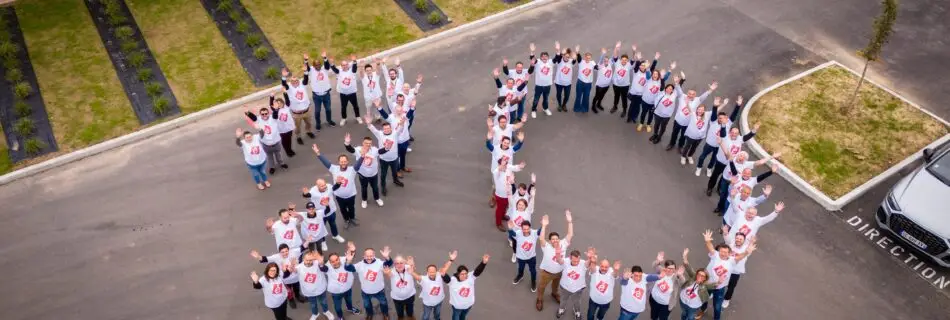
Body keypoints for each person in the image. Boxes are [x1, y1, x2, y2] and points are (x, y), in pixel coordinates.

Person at [696, 230, 756, 320]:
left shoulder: (732, 261)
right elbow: (710, 247)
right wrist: (707, 241)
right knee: (703, 299)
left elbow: (740, 256)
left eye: (725, 252)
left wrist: (747, 252)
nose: (723, 254)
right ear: (719, 251)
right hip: (707, 284)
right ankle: (702, 310)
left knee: (717, 306)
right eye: (721, 251)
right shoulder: (715, 255)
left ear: (730, 253)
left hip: (720, 288)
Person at [313, 143, 363, 229]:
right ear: (339, 162)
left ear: (347, 162)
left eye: (345, 161)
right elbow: (326, 162)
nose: (343, 163)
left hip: (351, 195)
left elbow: (358, 164)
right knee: (343, 209)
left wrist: (362, 156)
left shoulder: (352, 169)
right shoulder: (334, 168)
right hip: (339, 196)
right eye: (341, 161)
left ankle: (352, 218)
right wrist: (318, 153)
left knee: (351, 208)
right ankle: (346, 220)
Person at [705, 122, 759, 197]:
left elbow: (748, 136)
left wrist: (754, 130)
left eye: (736, 133)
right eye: (732, 132)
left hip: (731, 164)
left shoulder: (740, 139)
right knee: (715, 175)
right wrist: (723, 125)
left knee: (725, 177)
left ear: (738, 134)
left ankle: (719, 188)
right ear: (730, 132)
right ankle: (710, 187)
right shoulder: (725, 137)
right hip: (721, 162)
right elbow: (723, 131)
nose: (734, 134)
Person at [251, 242, 310, 309]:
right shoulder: (276, 257)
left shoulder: (294, 252)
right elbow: (265, 259)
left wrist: (308, 240)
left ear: (289, 250)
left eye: (286, 251)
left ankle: (298, 296)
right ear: (279, 252)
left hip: (296, 278)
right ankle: (291, 300)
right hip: (285, 279)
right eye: (282, 252)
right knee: (289, 291)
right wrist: (258, 256)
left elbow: (303, 247)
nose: (285, 253)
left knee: (297, 288)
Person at [537, 210, 575, 311]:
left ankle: (554, 293)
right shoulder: (546, 247)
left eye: (556, 238)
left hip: (559, 272)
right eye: (552, 239)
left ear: (559, 239)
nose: (555, 240)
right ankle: (539, 299)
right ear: (550, 241)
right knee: (541, 287)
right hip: (546, 273)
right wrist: (544, 226)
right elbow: (541, 239)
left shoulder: (563, 244)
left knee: (556, 285)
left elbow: (570, 234)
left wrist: (569, 221)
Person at [695, 97, 742, 177]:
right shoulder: (713, 122)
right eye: (719, 118)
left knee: (713, 159)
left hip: (719, 146)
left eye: (722, 118)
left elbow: (734, 115)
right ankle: (699, 167)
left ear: (725, 118)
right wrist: (715, 106)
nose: (720, 119)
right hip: (709, 144)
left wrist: (738, 106)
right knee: (702, 156)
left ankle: (709, 169)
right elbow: (713, 114)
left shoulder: (728, 123)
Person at [347, 242, 394, 320]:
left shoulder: (379, 263)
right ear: (364, 256)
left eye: (371, 256)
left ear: (374, 255)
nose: (369, 258)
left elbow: (389, 263)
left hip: (379, 290)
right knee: (367, 305)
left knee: (383, 303)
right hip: (366, 292)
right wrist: (348, 261)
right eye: (367, 256)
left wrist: (387, 257)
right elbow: (348, 268)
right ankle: (369, 314)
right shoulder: (360, 265)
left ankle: (385, 314)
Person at [668, 75, 715, 152]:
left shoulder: (697, 100)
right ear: (687, 93)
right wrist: (676, 83)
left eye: (693, 94)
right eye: (689, 93)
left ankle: (680, 146)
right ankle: (671, 144)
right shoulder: (682, 96)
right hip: (678, 121)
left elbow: (705, 95)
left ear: (695, 95)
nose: (691, 95)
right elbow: (678, 89)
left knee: (683, 136)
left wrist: (710, 90)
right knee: (674, 133)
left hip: (687, 123)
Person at [409, 251, 458, 320]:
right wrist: (411, 271)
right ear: (427, 272)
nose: (432, 273)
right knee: (426, 317)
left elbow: (445, 267)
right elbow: (417, 277)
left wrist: (451, 260)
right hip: (427, 304)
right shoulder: (424, 279)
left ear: (436, 271)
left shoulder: (439, 275)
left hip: (439, 301)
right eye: (430, 272)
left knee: (437, 315)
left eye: (433, 272)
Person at [365, 112, 406, 195]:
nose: (386, 130)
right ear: (383, 129)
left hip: (394, 158)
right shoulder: (380, 134)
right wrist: (369, 124)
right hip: (383, 159)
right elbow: (373, 130)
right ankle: (383, 186)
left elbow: (400, 128)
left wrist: (402, 124)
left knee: (394, 171)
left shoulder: (395, 133)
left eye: (388, 128)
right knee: (383, 174)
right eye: (385, 129)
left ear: (391, 128)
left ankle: (395, 180)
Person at [343, 133, 386, 208]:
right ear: (363, 143)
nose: (368, 144)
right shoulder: (358, 150)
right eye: (366, 143)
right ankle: (364, 200)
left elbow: (381, 151)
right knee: (364, 188)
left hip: (373, 174)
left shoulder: (374, 150)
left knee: (375, 187)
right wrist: (347, 143)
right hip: (363, 175)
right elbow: (350, 149)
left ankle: (377, 198)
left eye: (369, 143)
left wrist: (387, 148)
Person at [486, 130, 525, 210]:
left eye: (508, 143)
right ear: (501, 142)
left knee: (508, 186)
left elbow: (517, 147)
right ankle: (494, 198)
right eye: (505, 142)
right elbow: (489, 146)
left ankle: (506, 201)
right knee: (496, 186)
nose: (506, 144)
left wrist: (521, 141)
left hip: (507, 171)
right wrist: (488, 140)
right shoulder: (495, 149)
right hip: (497, 171)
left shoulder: (511, 149)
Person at [443, 254, 490, 320]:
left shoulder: (470, 277)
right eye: (462, 274)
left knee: (463, 317)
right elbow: (443, 272)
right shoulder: (452, 281)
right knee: (456, 317)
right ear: (458, 274)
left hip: (468, 305)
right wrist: (451, 260)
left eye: (466, 274)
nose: (464, 276)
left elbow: (478, 271)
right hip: (457, 307)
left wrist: (483, 263)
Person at [243, 105, 287, 175]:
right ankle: (272, 167)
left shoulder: (273, 118)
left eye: (266, 113)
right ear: (260, 114)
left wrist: (276, 109)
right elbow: (253, 117)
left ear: (268, 113)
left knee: (278, 154)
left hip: (276, 142)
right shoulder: (258, 120)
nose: (264, 115)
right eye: (262, 114)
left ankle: (281, 163)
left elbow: (275, 115)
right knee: (270, 157)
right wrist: (247, 112)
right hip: (266, 144)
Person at [374, 97, 414, 174]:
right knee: (397, 157)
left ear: (402, 110)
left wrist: (412, 107)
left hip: (405, 140)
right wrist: (379, 107)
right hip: (397, 141)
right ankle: (397, 170)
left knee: (403, 155)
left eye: (400, 111)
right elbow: (385, 115)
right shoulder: (391, 117)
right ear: (394, 111)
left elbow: (410, 113)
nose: (399, 112)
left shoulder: (405, 116)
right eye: (397, 111)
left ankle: (403, 167)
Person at [301, 179, 347, 244]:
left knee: (333, 224)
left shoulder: (329, 186)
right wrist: (304, 194)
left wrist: (338, 183)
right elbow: (308, 195)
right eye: (322, 186)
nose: (324, 187)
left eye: (324, 184)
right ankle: (323, 241)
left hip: (331, 211)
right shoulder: (313, 191)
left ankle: (335, 235)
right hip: (320, 214)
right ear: (317, 186)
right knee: (321, 228)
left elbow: (335, 187)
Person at [296, 250, 335, 320]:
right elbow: (292, 272)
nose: (308, 262)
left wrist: (321, 263)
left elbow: (325, 269)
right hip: (309, 292)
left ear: (314, 259)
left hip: (320, 289)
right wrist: (290, 269)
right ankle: (315, 314)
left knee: (323, 302)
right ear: (303, 259)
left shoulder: (318, 263)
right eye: (306, 260)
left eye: (311, 260)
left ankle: (326, 311)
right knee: (313, 304)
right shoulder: (299, 267)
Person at [680, 98, 721, 165]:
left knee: (694, 147)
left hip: (700, 137)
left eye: (702, 110)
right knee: (687, 146)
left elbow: (716, 111)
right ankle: (683, 156)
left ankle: (690, 156)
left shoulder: (707, 115)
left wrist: (723, 104)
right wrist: (687, 103)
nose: (700, 111)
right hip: (691, 135)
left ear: (704, 111)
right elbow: (689, 108)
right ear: (697, 109)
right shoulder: (693, 114)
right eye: (699, 109)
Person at [719, 228, 753, 310]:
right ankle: (715, 292)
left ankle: (726, 299)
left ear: (744, 240)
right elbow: (727, 239)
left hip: (735, 272)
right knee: (719, 281)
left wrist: (752, 242)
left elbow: (749, 251)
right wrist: (725, 233)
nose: (738, 240)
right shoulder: (731, 244)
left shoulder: (746, 249)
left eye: (740, 239)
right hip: (726, 268)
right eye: (737, 238)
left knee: (731, 287)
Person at [282, 64, 315, 144]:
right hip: (297, 114)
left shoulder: (302, 85)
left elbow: (306, 79)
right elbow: (284, 84)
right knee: (297, 127)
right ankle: (298, 137)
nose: (295, 82)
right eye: (293, 81)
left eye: (296, 80)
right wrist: (283, 77)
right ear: (291, 82)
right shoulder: (289, 88)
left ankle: (308, 132)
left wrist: (305, 71)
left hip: (306, 111)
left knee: (309, 123)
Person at [679, 249, 716, 320]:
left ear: (705, 278)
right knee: (683, 314)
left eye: (702, 276)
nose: (700, 276)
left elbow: (714, 285)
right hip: (683, 301)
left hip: (693, 306)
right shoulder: (693, 277)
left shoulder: (705, 285)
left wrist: (720, 282)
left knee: (690, 317)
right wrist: (684, 256)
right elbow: (687, 266)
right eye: (699, 274)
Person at [556, 248, 593, 319]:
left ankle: (577, 312)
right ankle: (561, 309)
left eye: (577, 261)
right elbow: (559, 261)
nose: (576, 263)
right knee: (563, 300)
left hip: (578, 289)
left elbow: (588, 263)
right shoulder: (566, 261)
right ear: (570, 258)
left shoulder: (582, 263)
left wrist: (590, 257)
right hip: (565, 287)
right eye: (574, 261)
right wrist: (557, 254)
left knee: (577, 302)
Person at [258, 89, 296, 157]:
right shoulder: (275, 110)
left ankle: (290, 149)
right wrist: (272, 97)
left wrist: (285, 93)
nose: (279, 104)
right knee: (284, 141)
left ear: (282, 103)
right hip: (281, 129)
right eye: (277, 103)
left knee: (289, 139)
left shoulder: (286, 107)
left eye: (280, 103)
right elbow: (271, 104)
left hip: (289, 127)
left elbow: (287, 100)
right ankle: (287, 151)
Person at [648, 252, 686, 320]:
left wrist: (680, 275)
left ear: (675, 269)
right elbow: (654, 265)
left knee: (663, 318)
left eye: (673, 268)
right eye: (669, 268)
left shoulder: (675, 277)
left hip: (665, 305)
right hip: (654, 300)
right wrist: (658, 261)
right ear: (665, 268)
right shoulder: (661, 270)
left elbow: (683, 282)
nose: (671, 270)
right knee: (653, 316)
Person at [509, 219, 542, 292]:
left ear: (530, 228)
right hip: (521, 257)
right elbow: (512, 234)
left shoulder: (534, 233)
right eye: (524, 229)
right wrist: (510, 229)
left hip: (531, 257)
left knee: (533, 271)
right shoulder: (518, 233)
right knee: (520, 268)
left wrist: (543, 225)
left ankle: (533, 281)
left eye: (527, 229)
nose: (526, 231)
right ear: (521, 228)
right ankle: (520, 276)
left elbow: (540, 231)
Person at [327, 251, 362, 318]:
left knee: (349, 301)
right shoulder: (328, 267)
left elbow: (350, 256)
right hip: (336, 293)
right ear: (330, 262)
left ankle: (350, 308)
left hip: (347, 289)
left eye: (337, 260)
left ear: (339, 258)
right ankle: (340, 317)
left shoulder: (344, 261)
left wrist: (353, 250)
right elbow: (323, 268)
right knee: (338, 307)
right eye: (332, 261)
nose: (335, 262)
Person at [308, 51, 337, 130]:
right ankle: (318, 124)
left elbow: (327, 65)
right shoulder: (311, 71)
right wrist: (306, 60)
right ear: (313, 66)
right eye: (316, 65)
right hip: (316, 96)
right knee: (317, 111)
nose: (318, 66)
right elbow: (307, 67)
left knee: (328, 109)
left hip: (326, 94)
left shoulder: (324, 69)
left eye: (319, 64)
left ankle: (329, 120)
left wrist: (325, 57)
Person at [588, 251, 621, 320]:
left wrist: (616, 270)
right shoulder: (595, 269)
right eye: (602, 266)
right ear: (599, 265)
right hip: (593, 300)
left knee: (601, 315)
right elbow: (592, 269)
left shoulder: (611, 271)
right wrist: (593, 262)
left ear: (609, 267)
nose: (604, 268)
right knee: (590, 315)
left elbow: (615, 275)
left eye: (606, 267)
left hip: (606, 302)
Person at [640, 67, 673, 136]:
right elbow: (648, 73)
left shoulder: (660, 82)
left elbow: (665, 77)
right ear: (652, 75)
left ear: (659, 76)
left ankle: (648, 124)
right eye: (654, 74)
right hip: (645, 101)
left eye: (657, 74)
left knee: (651, 115)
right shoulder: (648, 80)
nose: (655, 75)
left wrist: (669, 70)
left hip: (653, 103)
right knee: (643, 113)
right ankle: (641, 123)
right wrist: (648, 67)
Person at [331, 55, 361, 126]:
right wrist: (332, 63)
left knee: (355, 106)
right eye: (343, 65)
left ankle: (358, 117)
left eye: (346, 64)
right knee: (343, 107)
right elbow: (334, 69)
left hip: (352, 93)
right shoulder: (339, 72)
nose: (345, 66)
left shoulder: (352, 71)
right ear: (341, 66)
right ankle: (344, 118)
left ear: (348, 65)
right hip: (343, 94)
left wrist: (354, 61)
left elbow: (354, 68)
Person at [628, 51, 656, 127]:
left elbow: (652, 68)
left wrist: (655, 60)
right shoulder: (636, 71)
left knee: (637, 107)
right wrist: (639, 59)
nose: (642, 67)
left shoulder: (648, 74)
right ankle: (629, 116)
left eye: (644, 66)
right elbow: (637, 65)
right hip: (634, 93)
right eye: (641, 65)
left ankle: (634, 117)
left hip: (641, 94)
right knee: (632, 105)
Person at [383, 255, 416, 319]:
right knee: (400, 313)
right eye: (397, 263)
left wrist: (412, 263)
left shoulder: (408, 267)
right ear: (394, 264)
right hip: (397, 299)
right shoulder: (392, 271)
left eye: (401, 263)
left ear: (404, 263)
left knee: (410, 311)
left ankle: (410, 316)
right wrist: (387, 273)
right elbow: (389, 274)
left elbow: (413, 268)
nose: (399, 265)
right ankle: (400, 317)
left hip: (410, 296)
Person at [529, 42, 555, 118]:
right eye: (542, 56)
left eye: (546, 56)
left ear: (548, 57)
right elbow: (532, 59)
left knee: (546, 98)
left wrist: (557, 50)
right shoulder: (538, 62)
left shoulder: (550, 62)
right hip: (539, 85)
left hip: (547, 85)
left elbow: (557, 58)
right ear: (540, 57)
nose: (544, 57)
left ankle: (545, 108)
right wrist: (532, 51)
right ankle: (533, 110)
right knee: (536, 99)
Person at [502, 57, 531, 122]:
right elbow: (506, 72)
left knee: (521, 106)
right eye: (518, 67)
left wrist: (532, 65)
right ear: (515, 67)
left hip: (522, 93)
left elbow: (530, 70)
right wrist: (505, 65)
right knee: (513, 106)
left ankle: (519, 117)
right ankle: (513, 117)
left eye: (521, 67)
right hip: (514, 94)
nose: (520, 69)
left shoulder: (525, 71)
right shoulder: (512, 72)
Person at [610, 42, 635, 117]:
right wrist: (616, 47)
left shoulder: (629, 65)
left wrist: (634, 51)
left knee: (624, 98)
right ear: (620, 59)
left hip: (625, 86)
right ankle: (615, 106)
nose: (624, 61)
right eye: (622, 59)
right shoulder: (617, 62)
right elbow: (615, 55)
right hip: (616, 84)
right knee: (616, 96)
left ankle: (624, 110)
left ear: (627, 60)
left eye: (625, 60)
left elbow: (634, 58)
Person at [553, 43, 579, 112]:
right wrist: (558, 50)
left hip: (567, 83)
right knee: (559, 95)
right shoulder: (559, 61)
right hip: (559, 82)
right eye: (565, 56)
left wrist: (576, 52)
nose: (566, 58)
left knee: (567, 96)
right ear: (563, 56)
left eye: (568, 57)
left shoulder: (571, 62)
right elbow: (558, 57)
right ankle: (559, 105)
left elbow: (574, 59)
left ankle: (564, 105)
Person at [591, 48, 613, 114]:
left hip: (606, 85)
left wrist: (616, 48)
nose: (606, 61)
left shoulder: (610, 64)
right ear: (603, 61)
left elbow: (613, 57)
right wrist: (603, 54)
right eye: (605, 60)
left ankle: (598, 104)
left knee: (602, 96)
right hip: (599, 86)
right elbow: (600, 60)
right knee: (597, 96)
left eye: (607, 60)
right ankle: (593, 106)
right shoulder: (600, 65)